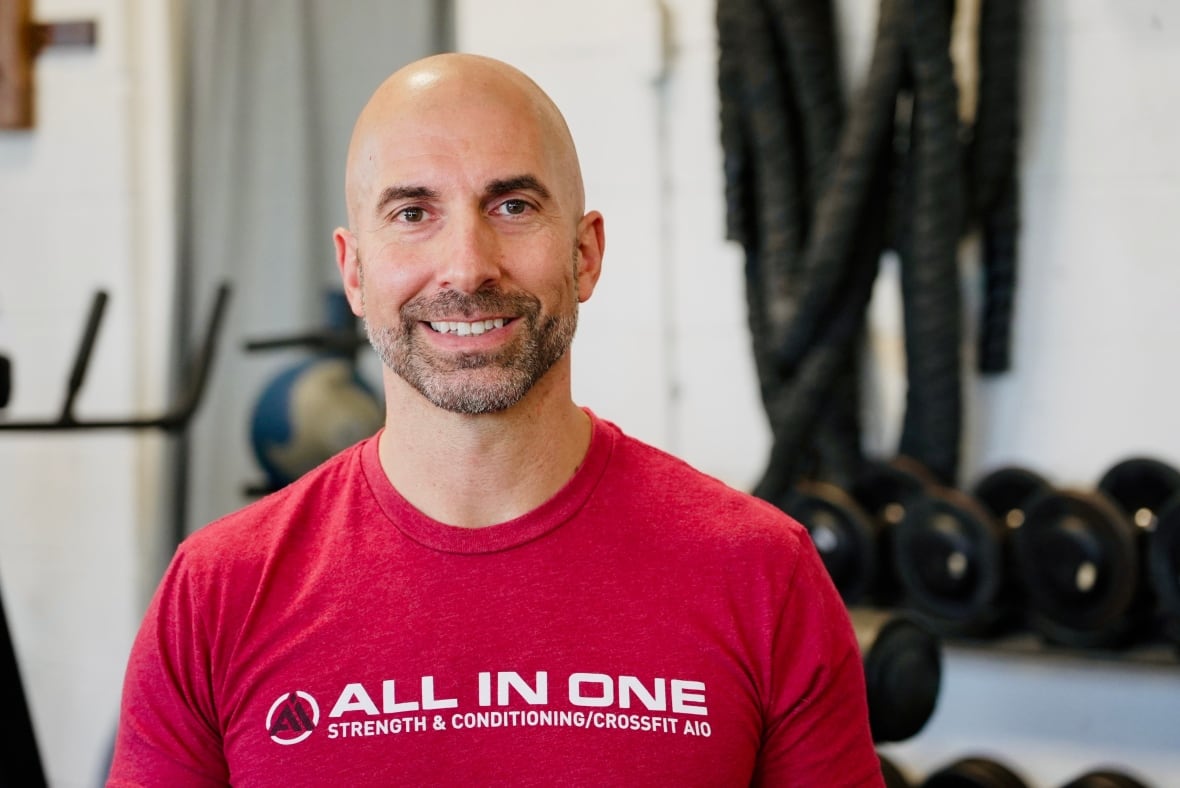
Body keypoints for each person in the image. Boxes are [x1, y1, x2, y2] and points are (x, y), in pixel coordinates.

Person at [108, 53, 883, 787]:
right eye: (414, 212)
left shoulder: (760, 574)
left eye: (512, 206)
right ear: (353, 270)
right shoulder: (216, 595)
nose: (468, 266)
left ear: (585, 254)